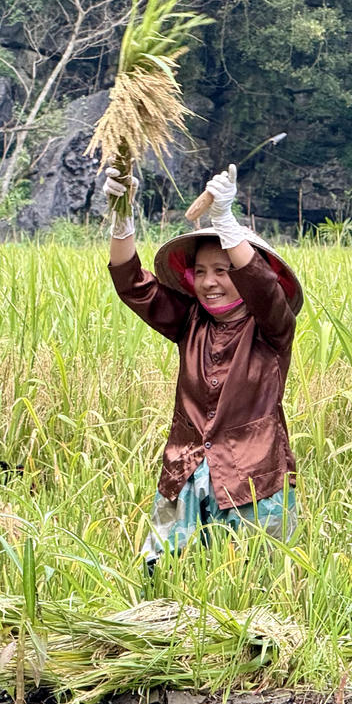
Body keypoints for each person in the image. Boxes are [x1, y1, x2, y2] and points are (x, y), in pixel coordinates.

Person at [102, 166, 301, 569]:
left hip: (252, 481)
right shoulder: (189, 321)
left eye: (223, 271)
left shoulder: (270, 329)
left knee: (250, 587)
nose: (210, 282)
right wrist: (122, 217)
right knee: (164, 577)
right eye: (202, 272)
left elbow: (263, 288)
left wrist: (226, 222)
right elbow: (132, 286)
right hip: (186, 472)